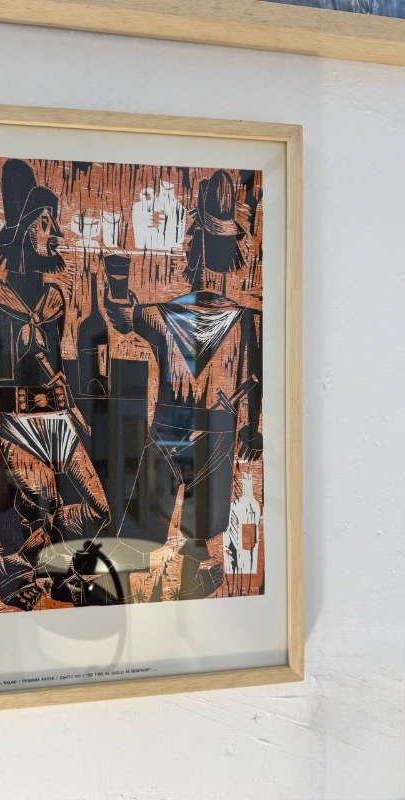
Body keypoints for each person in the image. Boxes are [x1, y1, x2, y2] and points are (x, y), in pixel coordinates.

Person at [0, 160, 109, 610]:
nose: (57, 234)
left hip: (55, 419)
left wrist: (71, 406)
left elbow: (52, 366)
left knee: (97, 509)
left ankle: (43, 557)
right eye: (46, 223)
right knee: (44, 498)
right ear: (24, 226)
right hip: (9, 420)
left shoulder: (54, 299)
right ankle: (22, 562)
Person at [105, 169, 262, 598]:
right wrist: (118, 281)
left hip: (204, 431)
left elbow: (123, 314)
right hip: (185, 429)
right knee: (151, 535)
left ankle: (180, 574)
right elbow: (123, 315)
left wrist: (253, 428)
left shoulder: (238, 321)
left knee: (194, 536)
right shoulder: (177, 316)